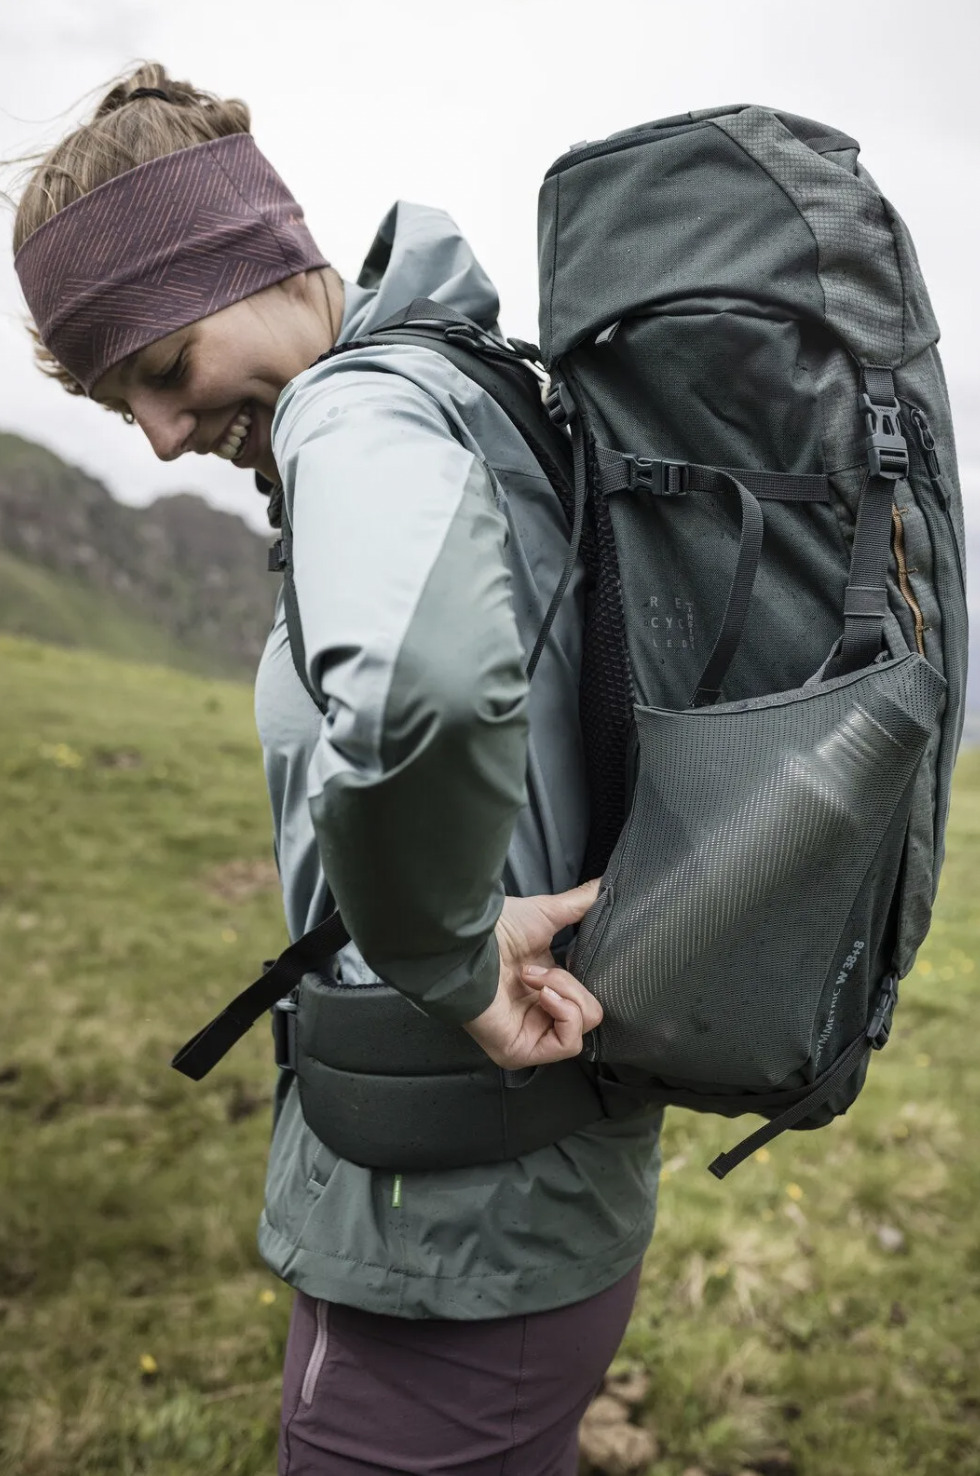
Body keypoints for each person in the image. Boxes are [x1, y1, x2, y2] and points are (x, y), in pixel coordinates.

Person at [12, 63, 663, 1476]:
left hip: (443, 1234)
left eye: (166, 371)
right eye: (130, 408)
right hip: (530, 1204)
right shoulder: (473, 389)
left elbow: (424, 689)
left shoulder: (355, 412)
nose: (170, 435)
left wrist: (444, 959)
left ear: (253, 260)